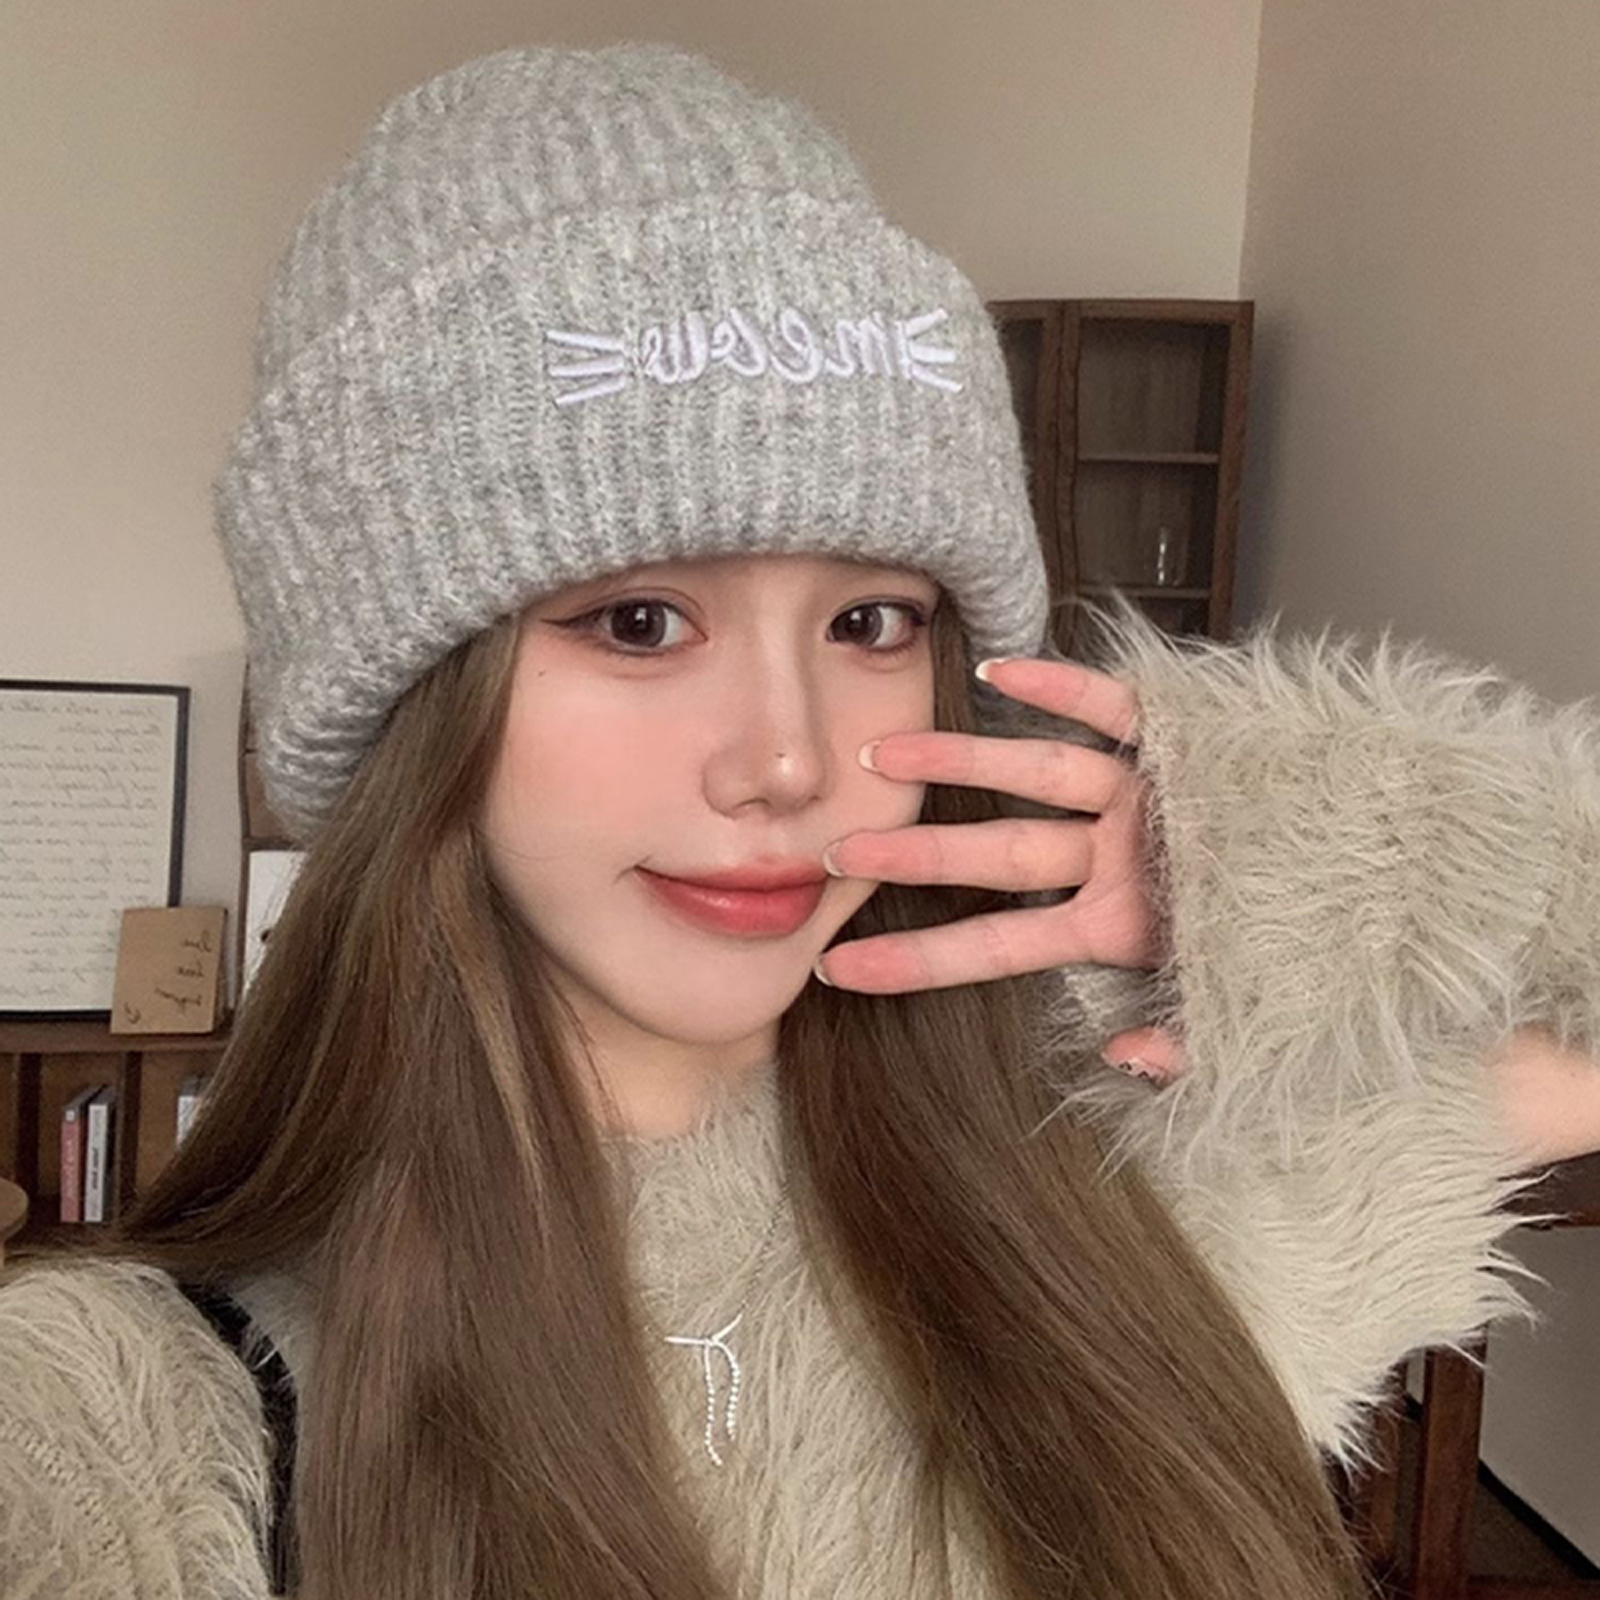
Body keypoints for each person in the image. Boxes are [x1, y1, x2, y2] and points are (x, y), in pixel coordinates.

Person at [1, 40, 1596, 1600]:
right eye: (638, 622)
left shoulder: (1132, 1209)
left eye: (870, 622)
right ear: (413, 705)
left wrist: (1343, 867)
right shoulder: (139, 1426)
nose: (787, 761)